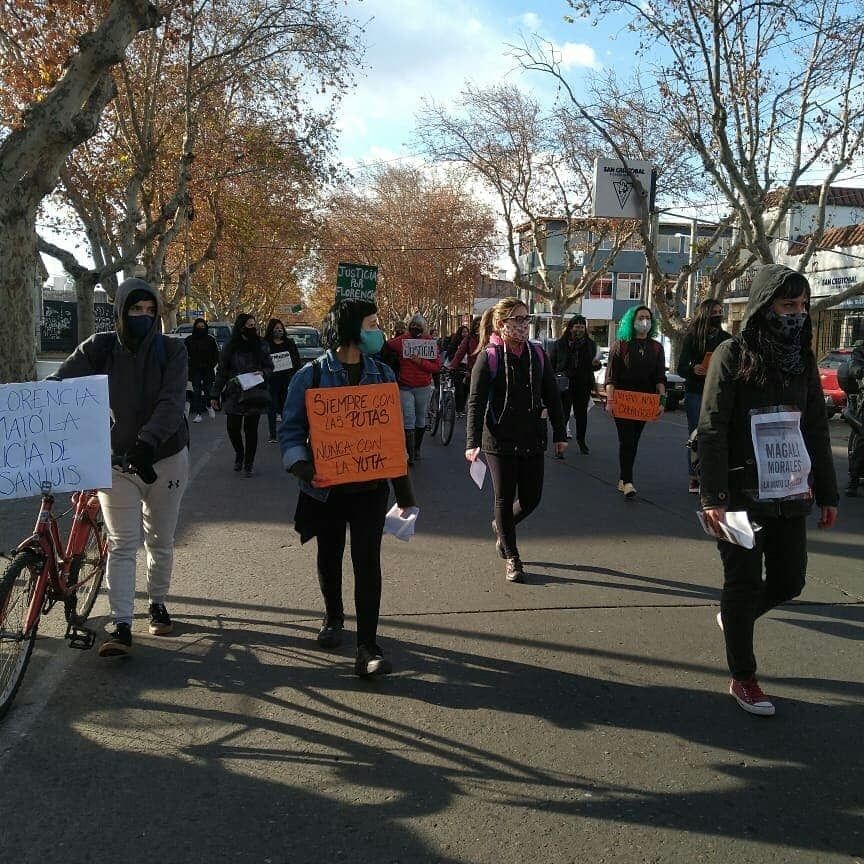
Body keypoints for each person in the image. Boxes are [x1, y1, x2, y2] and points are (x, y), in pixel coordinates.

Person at [699, 264, 838, 716]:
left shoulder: (803, 358)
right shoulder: (731, 353)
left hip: (790, 491)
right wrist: (713, 497)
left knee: (789, 580)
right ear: (764, 307)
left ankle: (734, 619)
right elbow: (712, 427)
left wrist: (829, 492)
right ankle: (744, 677)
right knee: (741, 582)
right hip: (739, 493)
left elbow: (815, 426)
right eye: (787, 305)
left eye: (802, 305)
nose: (796, 314)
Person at [279, 299, 417, 677]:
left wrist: (405, 495)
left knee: (367, 562)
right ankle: (333, 617)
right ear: (353, 329)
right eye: (373, 323)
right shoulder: (310, 377)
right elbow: (290, 430)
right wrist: (305, 469)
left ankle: (368, 646)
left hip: (371, 490)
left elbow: (393, 442)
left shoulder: (384, 376)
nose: (379, 330)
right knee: (330, 554)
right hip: (325, 490)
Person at [53, 278, 189, 656]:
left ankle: (157, 603)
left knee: (160, 539)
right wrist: (37, 403)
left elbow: (172, 402)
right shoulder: (99, 348)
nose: (143, 317)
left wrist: (148, 442)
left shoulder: (172, 350)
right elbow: (60, 384)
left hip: (166, 458)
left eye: (150, 310)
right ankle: (122, 622)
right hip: (116, 463)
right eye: (135, 310)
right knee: (122, 544)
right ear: (119, 312)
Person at [466, 298, 566, 583]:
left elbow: (552, 395)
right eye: (517, 320)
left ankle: (502, 525)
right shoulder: (490, 356)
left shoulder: (537, 355)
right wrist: (471, 442)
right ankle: (512, 557)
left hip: (533, 436)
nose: (523, 325)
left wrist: (560, 434)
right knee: (504, 497)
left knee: (532, 498)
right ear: (501, 324)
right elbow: (475, 402)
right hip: (499, 439)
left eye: (526, 320)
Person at [605, 305, 667, 499]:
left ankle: (624, 479)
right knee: (627, 441)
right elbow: (611, 378)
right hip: (623, 401)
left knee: (634, 441)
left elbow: (660, 378)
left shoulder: (656, 347)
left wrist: (662, 401)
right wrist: (610, 400)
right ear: (632, 321)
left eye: (647, 318)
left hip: (644, 404)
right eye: (640, 317)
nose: (644, 321)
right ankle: (627, 481)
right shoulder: (620, 345)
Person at [677, 299, 732, 492]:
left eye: (720, 311)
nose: (718, 315)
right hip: (696, 393)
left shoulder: (726, 338)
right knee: (696, 435)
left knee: (718, 435)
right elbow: (681, 367)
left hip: (719, 392)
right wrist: (695, 369)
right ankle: (694, 476)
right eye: (714, 312)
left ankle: (712, 477)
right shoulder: (692, 338)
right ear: (705, 314)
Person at [211, 314, 273, 477]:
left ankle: (248, 463)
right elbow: (222, 372)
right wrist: (214, 394)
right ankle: (239, 453)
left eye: (254, 324)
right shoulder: (230, 346)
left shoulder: (262, 345)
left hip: (255, 392)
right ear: (241, 327)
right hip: (234, 393)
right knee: (232, 427)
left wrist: (264, 373)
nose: (252, 328)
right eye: (249, 325)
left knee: (251, 430)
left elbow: (269, 366)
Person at [384, 313, 441, 464]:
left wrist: (420, 362)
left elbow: (436, 367)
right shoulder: (402, 340)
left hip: (423, 387)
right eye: (413, 326)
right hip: (405, 386)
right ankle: (409, 453)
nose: (415, 328)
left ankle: (416, 449)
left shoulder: (429, 342)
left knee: (421, 417)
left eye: (419, 326)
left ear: (424, 328)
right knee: (408, 418)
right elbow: (386, 346)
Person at [551, 315, 600, 455]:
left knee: (581, 416)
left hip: (583, 385)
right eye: (577, 327)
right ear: (571, 328)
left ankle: (581, 441)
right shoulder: (560, 344)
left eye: (582, 327)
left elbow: (593, 367)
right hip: (564, 385)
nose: (579, 330)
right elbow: (551, 364)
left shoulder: (590, 344)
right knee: (562, 416)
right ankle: (559, 445)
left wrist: (596, 365)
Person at [264, 318, 302, 444]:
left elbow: (296, 360)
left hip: (287, 379)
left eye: (280, 328)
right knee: (271, 407)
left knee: (287, 406)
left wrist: (295, 373)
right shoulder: (265, 344)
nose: (279, 330)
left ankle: (287, 432)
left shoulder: (289, 343)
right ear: (271, 330)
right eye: (276, 328)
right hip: (271, 380)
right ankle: (272, 434)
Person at [185, 318, 219, 424]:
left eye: (203, 327)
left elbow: (216, 354)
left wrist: (212, 364)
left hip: (208, 369)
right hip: (195, 370)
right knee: (197, 391)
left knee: (208, 389)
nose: (201, 329)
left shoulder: (210, 340)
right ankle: (198, 414)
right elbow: (185, 355)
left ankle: (208, 405)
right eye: (198, 327)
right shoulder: (189, 340)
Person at [843, 341, 864, 496]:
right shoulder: (860, 351)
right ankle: (854, 480)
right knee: (863, 439)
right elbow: (855, 368)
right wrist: (859, 370)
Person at [447, 318, 480, 415]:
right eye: (476, 325)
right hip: (471, 370)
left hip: (488, 371)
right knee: (470, 394)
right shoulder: (469, 339)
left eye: (480, 325)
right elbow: (459, 353)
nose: (478, 327)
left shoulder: (490, 337)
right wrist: (452, 366)